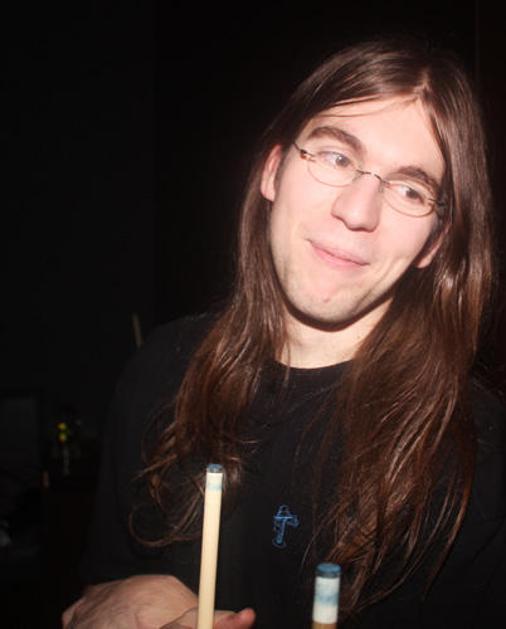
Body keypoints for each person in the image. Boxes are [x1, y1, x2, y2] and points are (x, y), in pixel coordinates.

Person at [63, 37, 505, 628]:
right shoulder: (160, 370)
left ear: (434, 244)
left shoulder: (476, 456)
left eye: (409, 190)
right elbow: (100, 598)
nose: (358, 211)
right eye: (336, 157)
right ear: (272, 171)